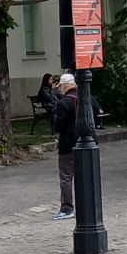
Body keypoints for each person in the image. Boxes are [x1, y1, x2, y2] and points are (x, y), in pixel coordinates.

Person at [50, 73, 79, 219]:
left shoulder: (63, 103)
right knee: (84, 175)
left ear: (65, 86)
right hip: (86, 143)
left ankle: (67, 208)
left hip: (68, 144)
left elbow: (58, 125)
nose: (60, 89)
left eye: (61, 86)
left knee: (66, 177)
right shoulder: (86, 99)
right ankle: (85, 205)